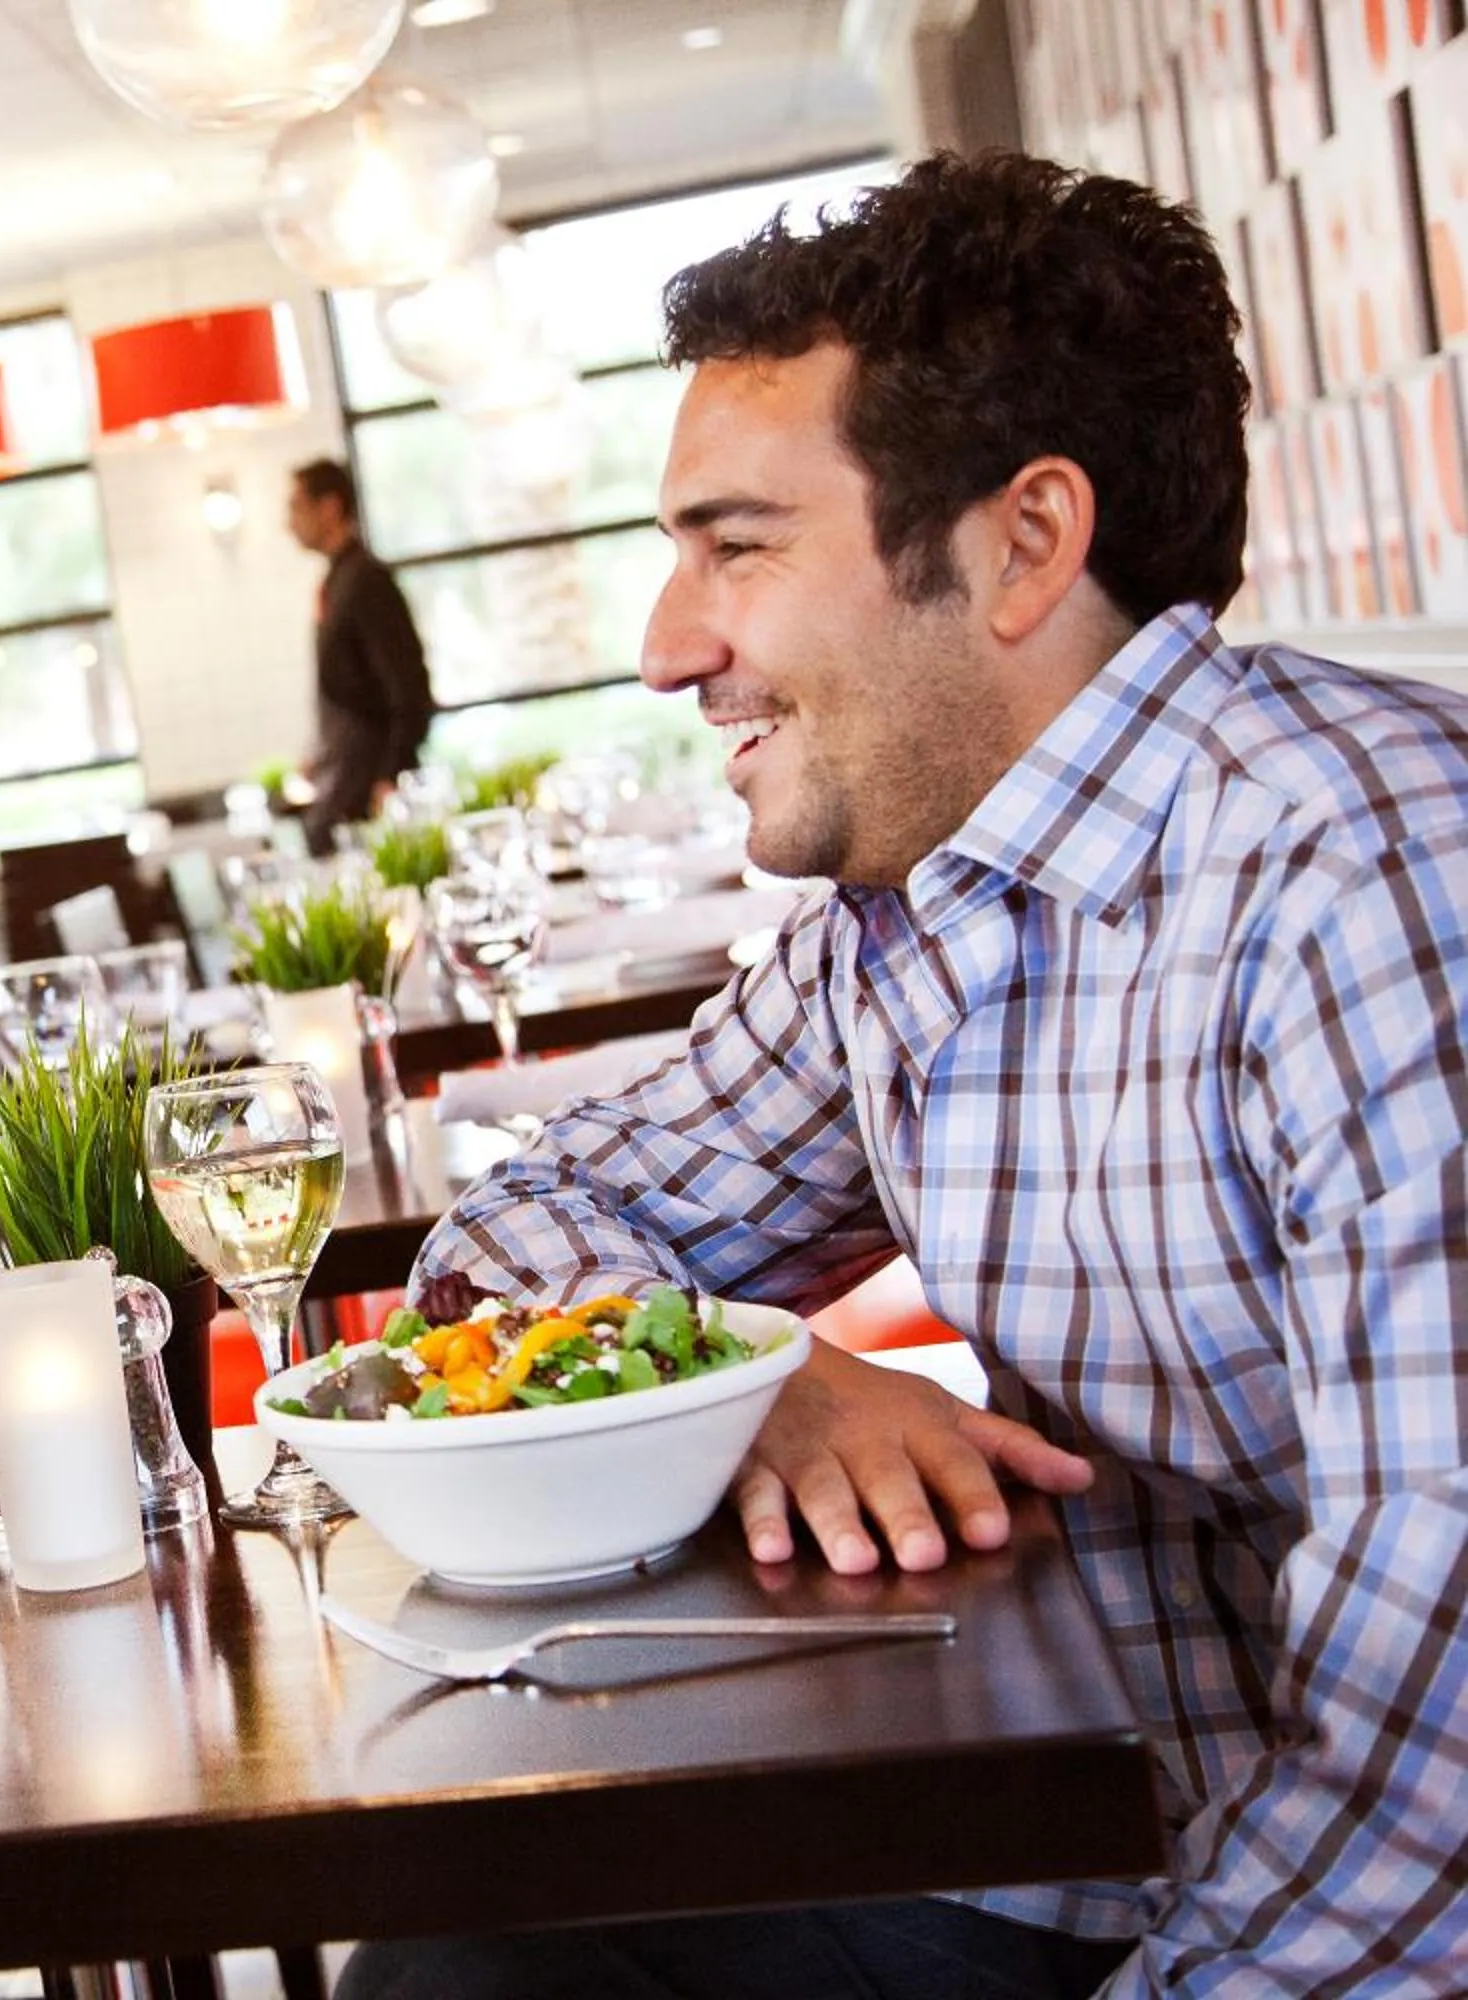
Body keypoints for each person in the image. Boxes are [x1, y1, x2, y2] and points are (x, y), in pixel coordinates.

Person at [361, 154, 1467, 1998]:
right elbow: (520, 1227)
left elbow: (1442, 1743)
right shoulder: (911, 913)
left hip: (1323, 1926)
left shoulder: (1368, 881)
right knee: (472, 1935)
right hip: (1101, 1840)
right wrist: (746, 1374)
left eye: (740, 545)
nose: (666, 644)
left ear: (1024, 545)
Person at [288, 457, 435, 854]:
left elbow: (408, 687)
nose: (289, 523)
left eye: (296, 506)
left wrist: (390, 775)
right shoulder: (336, 581)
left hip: (370, 787)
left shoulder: (367, 581)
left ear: (330, 507)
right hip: (342, 776)